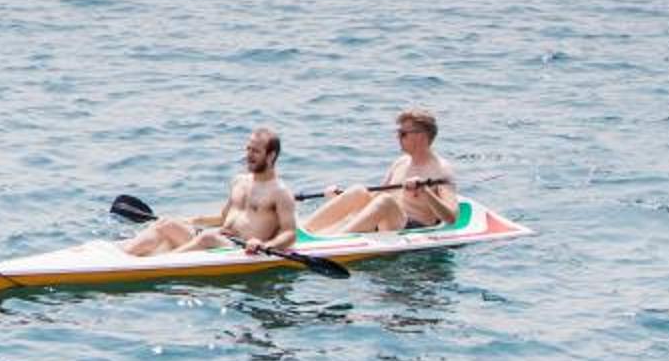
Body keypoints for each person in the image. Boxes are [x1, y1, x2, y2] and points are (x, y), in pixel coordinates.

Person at [122, 126, 301, 257]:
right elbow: (223, 218)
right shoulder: (239, 181)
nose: (248, 155)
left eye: (256, 151)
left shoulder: (280, 192)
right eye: (248, 149)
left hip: (241, 250)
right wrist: (190, 221)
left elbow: (290, 234)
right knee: (166, 223)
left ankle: (160, 264)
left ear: (271, 156)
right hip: (220, 240)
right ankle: (123, 256)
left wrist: (264, 244)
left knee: (208, 237)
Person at [301, 108, 458, 235]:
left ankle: (336, 241)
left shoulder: (442, 170)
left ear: (421, 137)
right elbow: (375, 197)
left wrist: (426, 192)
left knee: (386, 201)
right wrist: (338, 197)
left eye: (403, 134)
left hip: (414, 229)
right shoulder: (400, 162)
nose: (398, 138)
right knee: (358, 191)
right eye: (398, 133)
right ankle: (305, 231)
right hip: (388, 221)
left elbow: (452, 217)